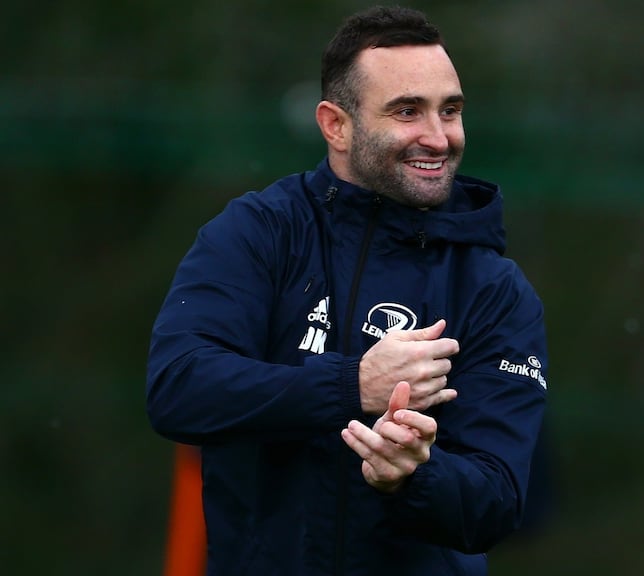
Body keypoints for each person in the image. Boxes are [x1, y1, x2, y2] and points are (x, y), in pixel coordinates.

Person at [145, 6, 549, 575]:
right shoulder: (259, 233)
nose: (437, 137)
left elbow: (498, 503)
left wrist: (414, 474)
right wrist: (351, 385)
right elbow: (178, 388)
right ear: (336, 124)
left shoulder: (493, 288)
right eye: (407, 111)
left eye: (450, 111)